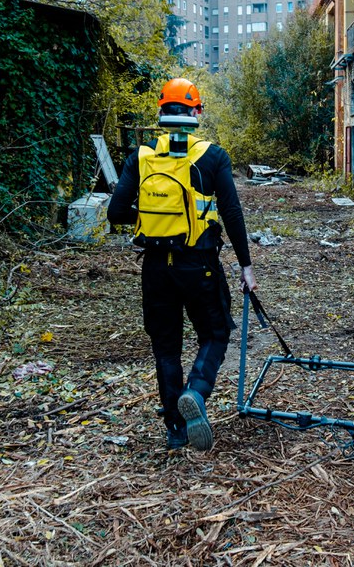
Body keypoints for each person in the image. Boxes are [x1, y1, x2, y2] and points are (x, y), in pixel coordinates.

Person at [108, 77, 257, 452]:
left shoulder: (140, 158)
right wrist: (246, 265)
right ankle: (196, 392)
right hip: (199, 264)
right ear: (197, 112)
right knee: (216, 332)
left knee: (166, 348)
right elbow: (232, 213)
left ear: (161, 112)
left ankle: (175, 430)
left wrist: (153, 218)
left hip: (156, 266)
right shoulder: (212, 157)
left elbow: (115, 212)